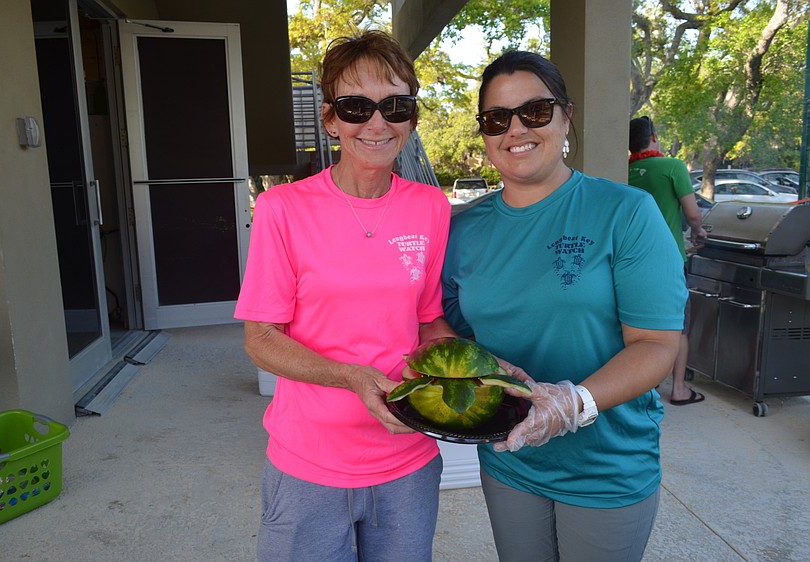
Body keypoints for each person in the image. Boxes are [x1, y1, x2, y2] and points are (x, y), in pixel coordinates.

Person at [441, 50, 688, 562]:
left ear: (565, 115)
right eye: (496, 119)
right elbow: (450, 328)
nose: (516, 130)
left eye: (534, 111)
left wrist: (574, 403)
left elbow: (657, 344)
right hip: (511, 459)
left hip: (608, 466)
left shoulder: (626, 213)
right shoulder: (460, 232)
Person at [234, 30, 457, 561]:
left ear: (412, 118)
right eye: (356, 107)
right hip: (309, 463)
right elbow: (261, 339)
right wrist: (352, 377)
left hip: (409, 455)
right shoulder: (282, 209)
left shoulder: (431, 207)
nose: (377, 123)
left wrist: (475, 367)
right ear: (331, 119)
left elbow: (428, 320)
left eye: (394, 105)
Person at [628, 116, 708, 406]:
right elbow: (694, 214)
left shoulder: (625, 171)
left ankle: (639, 385)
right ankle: (679, 388)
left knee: (633, 322)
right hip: (668, 260)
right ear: (653, 137)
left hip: (631, 260)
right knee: (676, 324)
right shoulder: (672, 166)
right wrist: (699, 231)